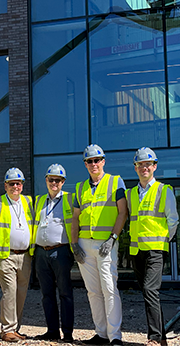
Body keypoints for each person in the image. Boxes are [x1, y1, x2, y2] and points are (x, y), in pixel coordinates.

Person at [71, 144, 127, 346]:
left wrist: (113, 238)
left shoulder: (115, 182)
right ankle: (101, 333)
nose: (93, 164)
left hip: (106, 244)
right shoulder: (80, 187)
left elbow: (123, 212)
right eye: (89, 161)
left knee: (109, 289)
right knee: (93, 291)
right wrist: (74, 244)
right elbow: (75, 219)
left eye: (97, 160)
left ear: (103, 161)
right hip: (85, 245)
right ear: (85, 164)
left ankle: (115, 336)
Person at [126, 148, 179, 346]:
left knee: (150, 290)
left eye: (147, 164)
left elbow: (173, 220)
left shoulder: (164, 190)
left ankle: (154, 338)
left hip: (155, 250)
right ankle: (162, 338)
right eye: (140, 165)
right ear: (135, 168)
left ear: (154, 166)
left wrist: (163, 242)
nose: (144, 168)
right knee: (149, 293)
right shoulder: (131, 194)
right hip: (136, 250)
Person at [0, 167, 34, 342]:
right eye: (11, 183)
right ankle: (7, 329)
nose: (15, 186)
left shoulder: (28, 202)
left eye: (18, 183)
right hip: (5, 255)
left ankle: (15, 328)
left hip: (25, 256)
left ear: (22, 185)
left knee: (21, 292)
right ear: (5, 185)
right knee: (10, 291)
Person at [33, 164, 75, 343]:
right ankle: (52, 331)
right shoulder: (39, 200)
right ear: (46, 180)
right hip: (41, 253)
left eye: (58, 180)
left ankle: (67, 333)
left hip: (61, 251)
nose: (54, 183)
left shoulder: (69, 199)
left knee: (65, 293)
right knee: (46, 294)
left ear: (63, 182)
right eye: (51, 179)